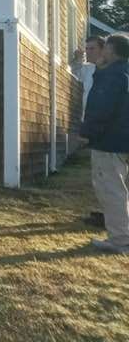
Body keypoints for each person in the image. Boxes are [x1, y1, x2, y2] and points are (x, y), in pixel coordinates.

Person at [80, 33, 129, 254]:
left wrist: (86, 133)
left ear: (113, 50)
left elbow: (101, 108)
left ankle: (120, 240)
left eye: (106, 47)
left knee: (111, 190)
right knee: (118, 189)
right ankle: (121, 235)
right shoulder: (120, 73)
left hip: (109, 142)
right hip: (119, 141)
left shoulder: (113, 76)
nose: (103, 51)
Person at [73, 35, 107, 228]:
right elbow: (75, 72)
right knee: (99, 174)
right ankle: (105, 212)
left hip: (104, 128)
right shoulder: (88, 69)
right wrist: (78, 59)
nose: (88, 52)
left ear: (104, 49)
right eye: (86, 48)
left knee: (109, 175)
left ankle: (112, 216)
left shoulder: (110, 71)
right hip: (92, 124)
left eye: (92, 48)